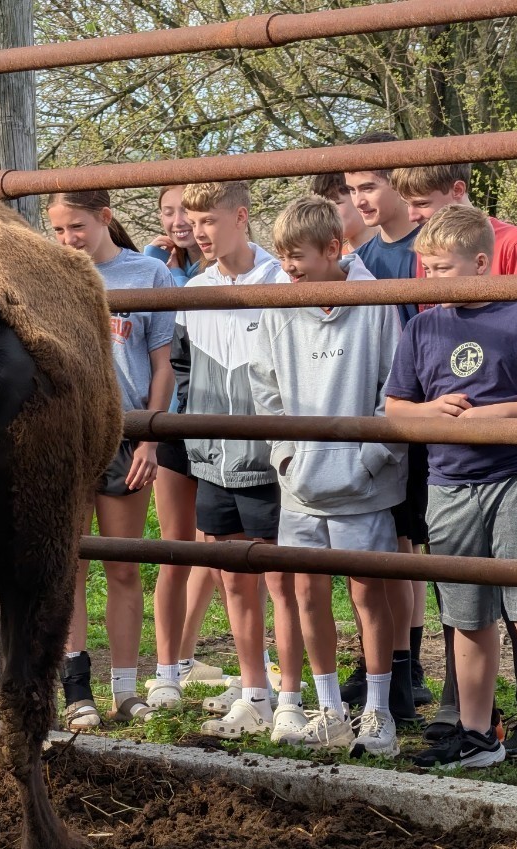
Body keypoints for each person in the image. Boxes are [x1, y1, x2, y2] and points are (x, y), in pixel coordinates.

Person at [249, 196, 406, 755]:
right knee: (308, 595)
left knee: (369, 595)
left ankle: (379, 712)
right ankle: (331, 709)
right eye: (281, 256)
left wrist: (370, 458)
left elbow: (395, 386)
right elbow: (265, 387)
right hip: (302, 484)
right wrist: (286, 457)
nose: (287, 268)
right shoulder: (278, 307)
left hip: (364, 483)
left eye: (297, 257)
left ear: (333, 249)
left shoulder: (376, 302)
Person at [390, 163, 517, 749]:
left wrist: (495, 417)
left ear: (481, 262)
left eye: (442, 268)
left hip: (516, 478)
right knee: (466, 613)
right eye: (426, 268)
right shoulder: (422, 329)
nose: (431, 277)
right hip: (449, 481)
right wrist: (432, 412)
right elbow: (396, 408)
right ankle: (476, 733)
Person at [173, 180, 305, 743]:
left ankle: (292, 699)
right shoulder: (192, 290)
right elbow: (182, 370)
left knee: (282, 584)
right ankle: (255, 693)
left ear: (241, 217)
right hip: (213, 463)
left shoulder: (279, 282)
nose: (198, 232)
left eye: (209, 220)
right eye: (193, 221)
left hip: (268, 463)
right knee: (233, 582)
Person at [47, 190, 176, 728]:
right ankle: (76, 690)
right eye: (58, 230)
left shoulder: (148, 274)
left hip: (127, 432)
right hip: (71, 435)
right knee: (70, 564)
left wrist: (151, 438)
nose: (68, 240)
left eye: (77, 227)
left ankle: (125, 688)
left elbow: (163, 365)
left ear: (105, 217)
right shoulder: (51, 271)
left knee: (123, 566)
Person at [343, 132, 424, 724]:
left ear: (399, 182)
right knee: (394, 544)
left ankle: (414, 667)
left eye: (369, 185)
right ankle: (400, 666)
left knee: (422, 548)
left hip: (433, 410)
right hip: (386, 414)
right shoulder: (363, 260)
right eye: (352, 189)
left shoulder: (428, 248)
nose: (360, 199)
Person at [142, 186, 230, 698]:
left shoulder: (223, 269)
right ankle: (169, 667)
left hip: (220, 427)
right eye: (170, 212)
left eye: (192, 215)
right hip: (175, 425)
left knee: (219, 548)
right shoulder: (158, 267)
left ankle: (200, 657)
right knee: (178, 547)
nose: (182, 223)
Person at [310, 172, 378, 252]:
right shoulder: (332, 257)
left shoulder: (390, 247)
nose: (326, 213)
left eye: (336, 203)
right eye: (321, 207)